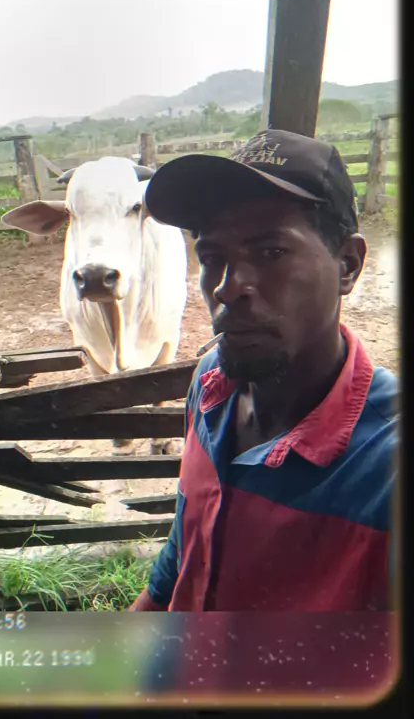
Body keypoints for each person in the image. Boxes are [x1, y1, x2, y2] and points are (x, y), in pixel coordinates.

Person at [128, 129, 398, 613]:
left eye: (271, 252)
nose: (227, 288)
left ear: (348, 266)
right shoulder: (211, 387)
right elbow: (184, 552)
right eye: (212, 258)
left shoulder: (388, 466)